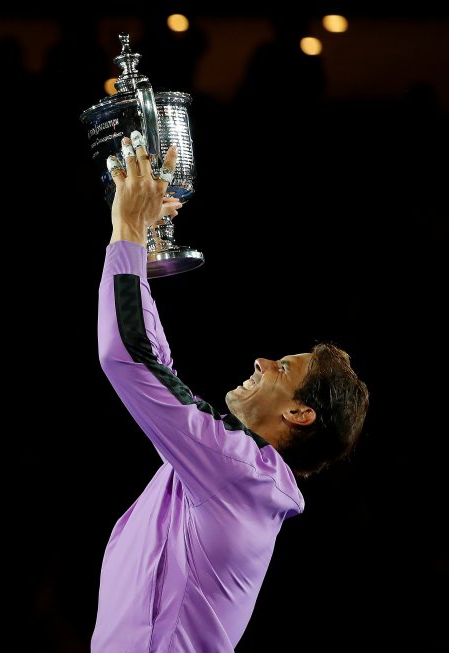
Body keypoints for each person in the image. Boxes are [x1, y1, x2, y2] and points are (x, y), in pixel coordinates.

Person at [92, 132, 369, 651]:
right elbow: (155, 363)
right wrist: (140, 248)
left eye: (282, 368)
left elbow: (129, 358)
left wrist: (127, 228)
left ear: (300, 413)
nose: (262, 361)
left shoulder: (236, 470)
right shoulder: (230, 472)